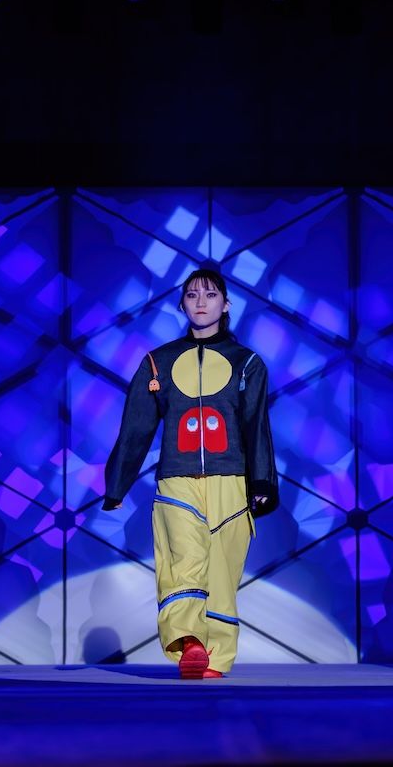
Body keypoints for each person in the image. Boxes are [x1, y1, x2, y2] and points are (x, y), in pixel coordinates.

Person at [103, 268, 278, 679]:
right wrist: (118, 484)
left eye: (210, 294)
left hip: (231, 482)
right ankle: (189, 641)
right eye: (192, 295)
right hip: (176, 479)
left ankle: (215, 658)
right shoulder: (157, 363)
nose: (201, 302)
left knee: (222, 572)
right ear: (181, 304)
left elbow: (255, 425)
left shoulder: (248, 363)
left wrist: (262, 481)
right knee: (184, 559)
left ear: (226, 304)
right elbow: (136, 427)